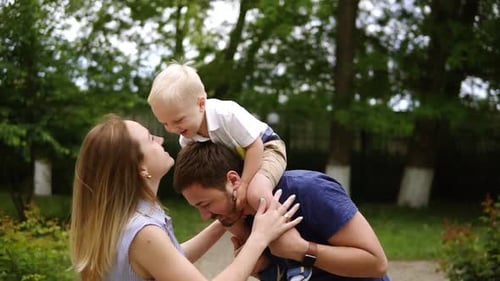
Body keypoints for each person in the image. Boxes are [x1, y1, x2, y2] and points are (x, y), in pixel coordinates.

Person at [69, 114, 302, 281]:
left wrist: (225, 218)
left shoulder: (128, 217)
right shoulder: (143, 232)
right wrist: (259, 237)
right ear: (140, 168)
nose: (160, 140)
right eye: (150, 138)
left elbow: (169, 260)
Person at [147, 63, 311, 280]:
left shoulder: (226, 114)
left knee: (255, 193)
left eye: (178, 120)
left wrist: (243, 184)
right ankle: (262, 257)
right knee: (229, 215)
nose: (173, 128)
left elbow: (255, 147)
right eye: (165, 124)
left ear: (201, 103)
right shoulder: (186, 137)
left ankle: (294, 253)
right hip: (240, 160)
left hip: (266, 149)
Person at [173, 141, 391, 281]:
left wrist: (301, 249)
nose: (205, 216)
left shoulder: (310, 190)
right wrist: (264, 270)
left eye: (206, 204)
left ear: (233, 180)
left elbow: (376, 263)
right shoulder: (238, 218)